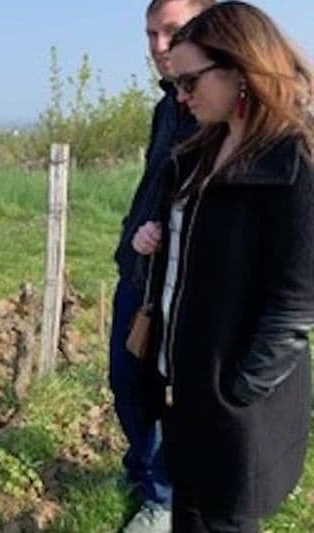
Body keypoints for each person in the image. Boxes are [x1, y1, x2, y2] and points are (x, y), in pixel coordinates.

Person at [132, 2, 314, 530]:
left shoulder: (293, 161)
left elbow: (296, 302)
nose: (181, 95)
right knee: (187, 513)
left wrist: (233, 391)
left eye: (191, 81)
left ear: (240, 69)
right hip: (182, 385)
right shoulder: (198, 150)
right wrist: (160, 240)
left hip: (230, 407)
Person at [111, 1, 213, 531]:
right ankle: (140, 468)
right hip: (138, 272)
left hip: (181, 283)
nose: (158, 46)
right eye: (150, 33)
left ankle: (164, 498)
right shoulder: (165, 108)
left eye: (170, 31)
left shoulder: (214, 110)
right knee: (126, 381)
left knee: (165, 390)